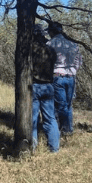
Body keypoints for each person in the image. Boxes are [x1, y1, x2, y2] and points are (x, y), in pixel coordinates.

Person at [47, 21, 83, 135]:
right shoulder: (72, 44)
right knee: (68, 104)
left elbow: (47, 62)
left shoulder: (50, 44)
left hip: (57, 76)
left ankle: (64, 130)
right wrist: (73, 71)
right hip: (71, 77)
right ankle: (68, 128)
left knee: (60, 105)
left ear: (51, 32)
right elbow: (79, 61)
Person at [31, 25, 60, 153]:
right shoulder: (51, 50)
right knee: (50, 118)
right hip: (49, 86)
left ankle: (32, 147)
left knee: (32, 118)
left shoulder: (30, 49)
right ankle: (54, 148)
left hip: (34, 86)